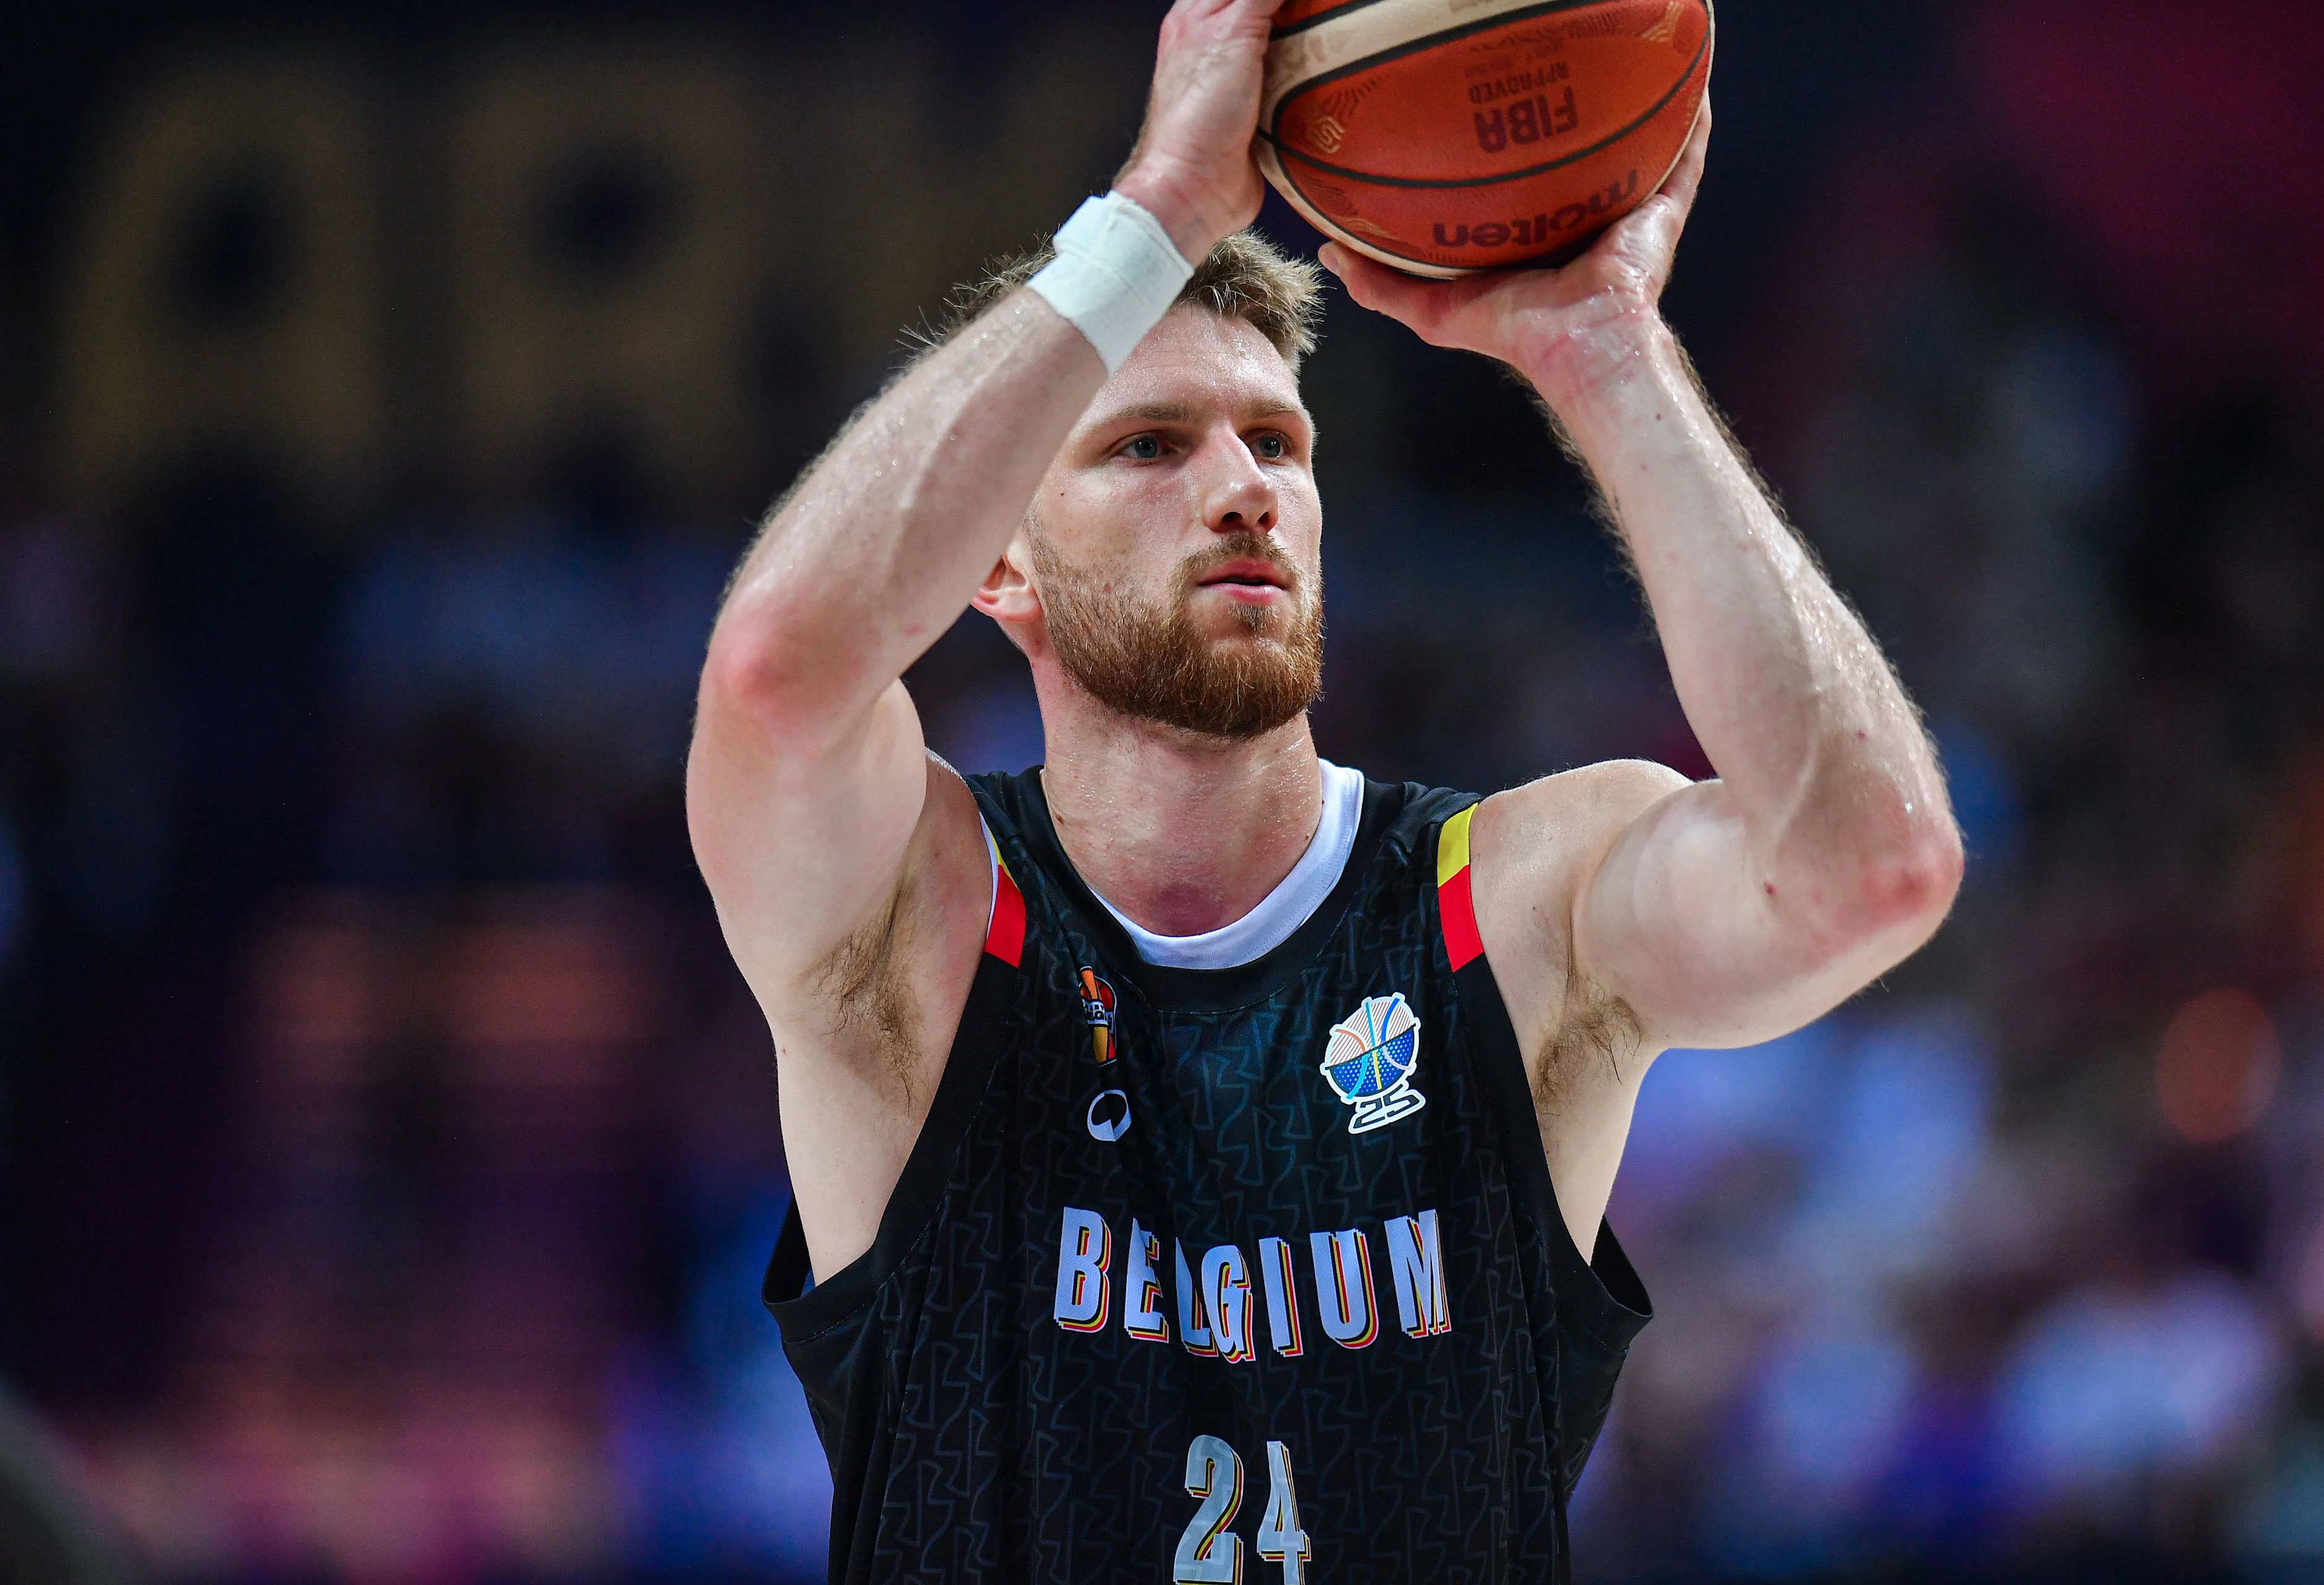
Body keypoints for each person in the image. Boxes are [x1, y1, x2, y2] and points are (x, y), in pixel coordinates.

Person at [688, 1, 1962, 1577]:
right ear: (994, 564)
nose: (1242, 487)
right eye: (1147, 447)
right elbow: (775, 676)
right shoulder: (923, 916)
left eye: (1278, 443)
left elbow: (1872, 865)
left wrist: (1609, 352)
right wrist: (1153, 212)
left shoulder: (1512, 907)